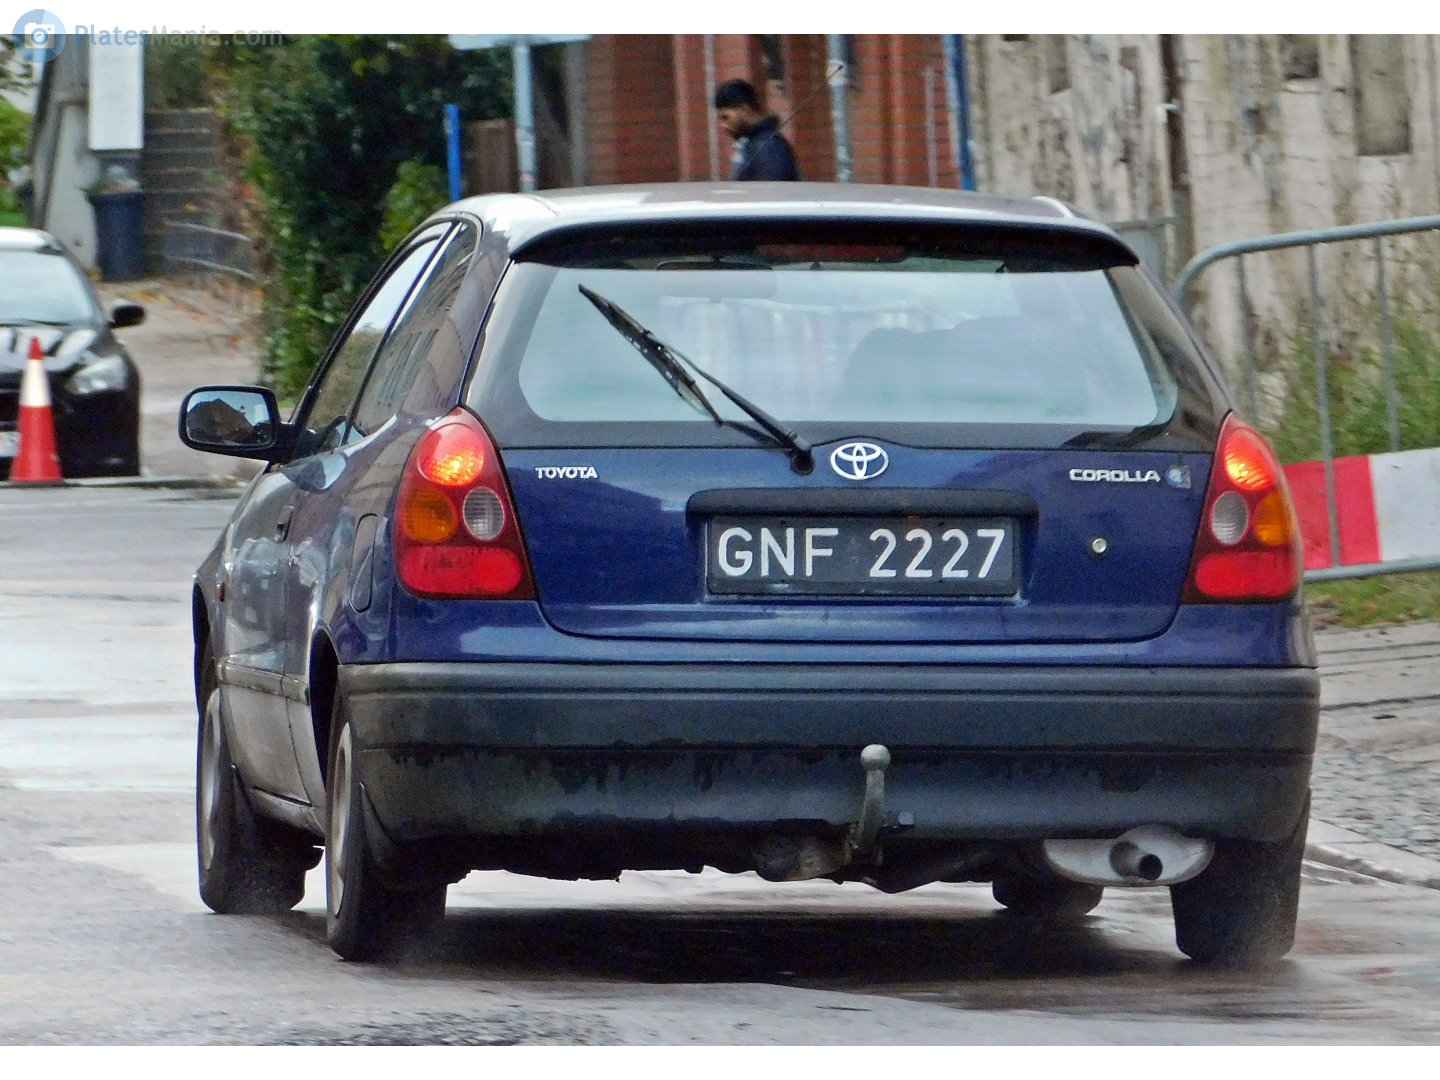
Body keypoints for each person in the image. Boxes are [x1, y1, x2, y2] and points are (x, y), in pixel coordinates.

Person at [713, 79, 800, 182]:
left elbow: (773, 194)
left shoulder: (768, 148)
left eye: (725, 117)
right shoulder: (752, 143)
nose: (722, 125)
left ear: (744, 110)